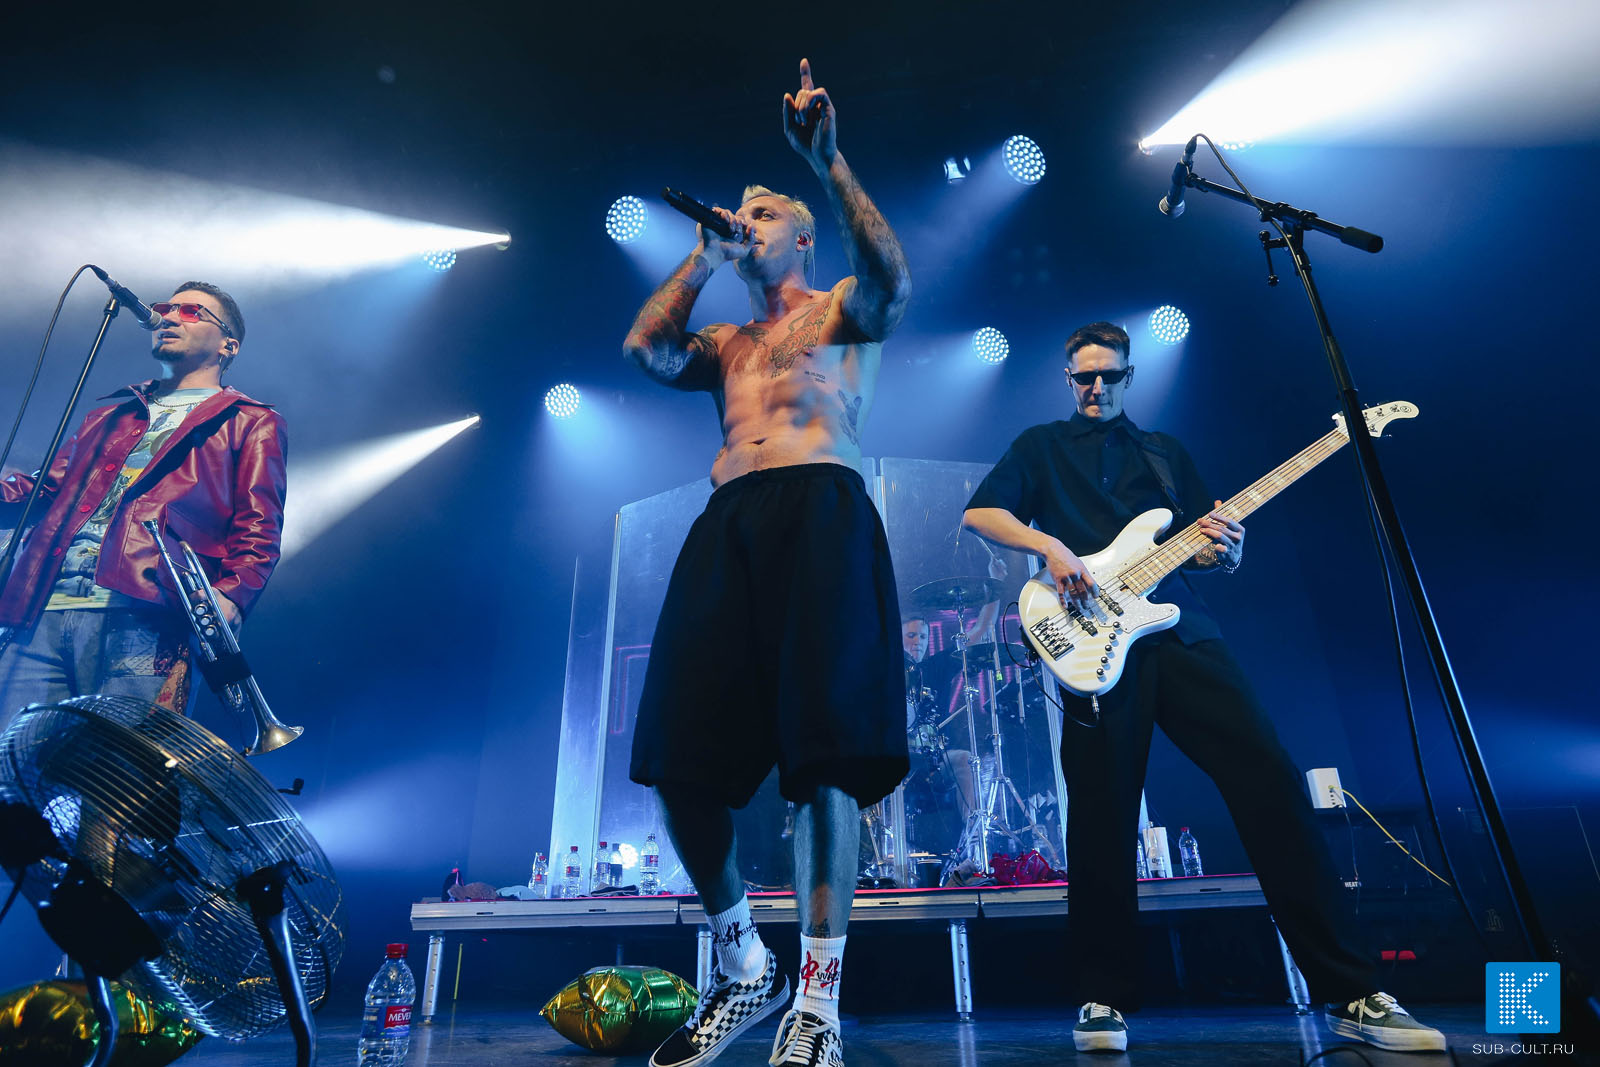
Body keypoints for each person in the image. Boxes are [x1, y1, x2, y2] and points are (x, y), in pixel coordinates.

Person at [961, 321, 1445, 1054]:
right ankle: (1101, 997)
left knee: (1271, 783)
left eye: (1110, 375)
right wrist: (1050, 545)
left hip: (1184, 635)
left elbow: (1203, 547)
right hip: (1092, 644)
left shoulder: (1164, 453)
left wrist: (1229, 550)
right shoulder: (1040, 446)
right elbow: (981, 511)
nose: (1097, 387)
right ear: (1068, 379)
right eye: (1085, 376)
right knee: (1100, 818)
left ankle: (1353, 989)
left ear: (1129, 376)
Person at [624, 59, 911, 1067]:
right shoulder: (725, 339)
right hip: (730, 518)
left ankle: (818, 1004)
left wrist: (826, 164)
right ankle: (746, 960)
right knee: (675, 758)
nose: (745, 221)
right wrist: (702, 254)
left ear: (801, 235)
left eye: (760, 213)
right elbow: (645, 350)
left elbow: (894, 283)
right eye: (738, 212)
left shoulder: (837, 307)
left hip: (822, 507)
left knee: (824, 759)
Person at [0, 282, 286, 728]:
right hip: (41, 611)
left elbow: (259, 526)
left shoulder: (250, 421)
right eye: (165, 308)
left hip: (146, 613)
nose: (168, 317)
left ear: (228, 345)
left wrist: (231, 595)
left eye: (191, 312)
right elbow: (45, 490)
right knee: (16, 761)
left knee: (121, 764)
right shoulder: (109, 415)